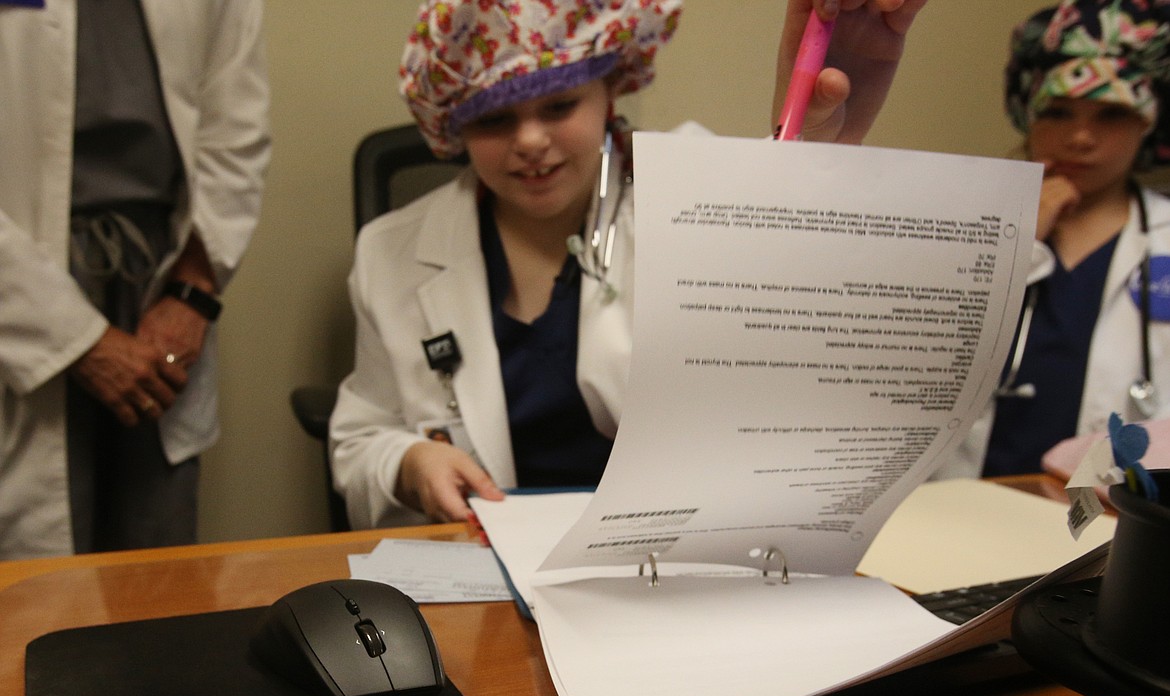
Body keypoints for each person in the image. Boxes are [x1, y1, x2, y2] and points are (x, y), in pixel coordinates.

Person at [330, 0, 930, 528]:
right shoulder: (392, 253)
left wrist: (813, 153)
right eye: (494, 119)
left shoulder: (693, 193)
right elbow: (359, 439)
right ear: (454, 126)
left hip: (667, 558)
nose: (531, 140)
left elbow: (795, 286)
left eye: (560, 105)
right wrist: (407, 462)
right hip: (490, 568)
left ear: (610, 90)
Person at [0, 0, 270, 559]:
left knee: (155, 579)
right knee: (31, 599)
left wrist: (190, 296)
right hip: (19, 290)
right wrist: (79, 340)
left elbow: (236, 131)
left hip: (161, 288)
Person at [940, 0, 1170, 480]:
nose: (1081, 137)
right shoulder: (963, 225)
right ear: (1029, 115)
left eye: (1111, 114)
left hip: (1109, 518)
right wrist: (1019, 238)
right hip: (958, 503)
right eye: (1059, 112)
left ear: (1147, 124)